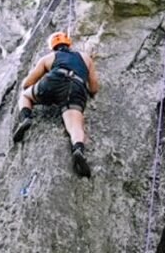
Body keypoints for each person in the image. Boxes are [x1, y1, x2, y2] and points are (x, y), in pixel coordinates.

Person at [12, 30, 100, 177]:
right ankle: (78, 148)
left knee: (25, 96)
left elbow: (27, 84)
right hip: (75, 88)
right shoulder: (85, 58)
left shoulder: (49, 57)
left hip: (53, 81)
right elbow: (94, 87)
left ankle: (26, 117)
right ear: (69, 44)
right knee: (75, 126)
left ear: (52, 46)